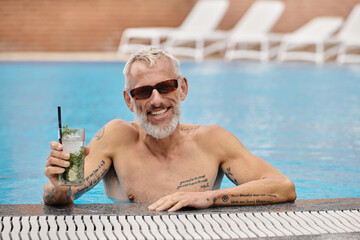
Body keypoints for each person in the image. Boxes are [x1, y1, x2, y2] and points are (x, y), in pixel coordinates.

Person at [43, 47, 296, 212]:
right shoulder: (116, 138)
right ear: (129, 100)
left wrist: (210, 197)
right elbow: (61, 194)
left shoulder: (212, 140)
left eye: (165, 87)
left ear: (182, 88)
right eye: (142, 92)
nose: (156, 100)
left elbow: (283, 186)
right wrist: (59, 184)